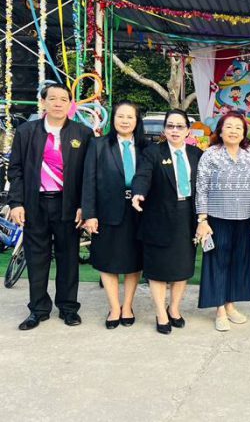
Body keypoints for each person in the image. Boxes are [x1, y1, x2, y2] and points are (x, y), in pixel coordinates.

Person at [8, 83, 93, 330]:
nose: (57, 103)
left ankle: (68, 308)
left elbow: (89, 175)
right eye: (52, 98)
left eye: (63, 99)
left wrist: (83, 206)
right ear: (43, 102)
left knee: (68, 258)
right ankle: (38, 310)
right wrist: (16, 203)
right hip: (35, 205)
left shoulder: (82, 133)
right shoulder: (27, 131)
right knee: (37, 258)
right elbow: (16, 170)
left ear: (70, 104)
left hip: (68, 206)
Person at [131, 109, 202, 335]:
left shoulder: (197, 154)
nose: (174, 130)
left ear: (188, 131)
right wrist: (138, 193)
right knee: (158, 270)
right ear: (164, 129)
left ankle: (174, 309)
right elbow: (143, 175)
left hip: (187, 217)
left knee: (183, 269)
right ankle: (161, 313)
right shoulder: (152, 153)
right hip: (158, 217)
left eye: (179, 126)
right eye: (170, 126)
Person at [82, 101, 147, 329]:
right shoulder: (98, 145)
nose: (125, 121)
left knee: (133, 261)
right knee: (108, 261)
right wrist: (90, 214)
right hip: (107, 212)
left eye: (130, 117)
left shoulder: (145, 147)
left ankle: (127, 305)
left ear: (136, 121)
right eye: (121, 116)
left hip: (138, 213)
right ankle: (114, 307)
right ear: (114, 119)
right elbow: (88, 181)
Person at [195, 113, 250, 331]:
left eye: (238, 128)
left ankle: (231, 305)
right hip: (217, 217)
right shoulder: (211, 155)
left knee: (238, 262)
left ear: (244, 133)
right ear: (220, 131)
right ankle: (220, 310)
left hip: (244, 218)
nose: (233, 131)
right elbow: (201, 188)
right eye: (229, 127)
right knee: (218, 262)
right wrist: (202, 219)